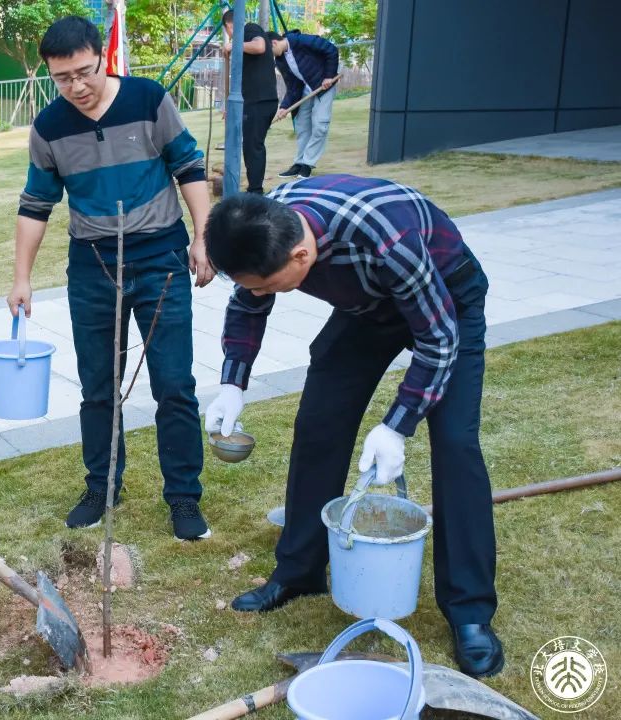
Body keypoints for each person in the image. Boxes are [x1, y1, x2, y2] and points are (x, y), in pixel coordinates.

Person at [203, 175, 504, 678]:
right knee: (320, 421)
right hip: (367, 307)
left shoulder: (388, 237)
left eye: (266, 284)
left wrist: (397, 425)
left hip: (447, 302)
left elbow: (438, 339)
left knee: (454, 444)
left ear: (300, 257)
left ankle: (470, 611)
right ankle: (299, 571)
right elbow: (248, 302)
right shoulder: (266, 222)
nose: (258, 294)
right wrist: (232, 382)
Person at [8, 16, 216, 541]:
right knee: (98, 387)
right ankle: (101, 487)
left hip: (160, 257)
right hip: (93, 265)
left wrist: (202, 237)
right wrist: (22, 277)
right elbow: (36, 204)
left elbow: (189, 168)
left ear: (102, 57)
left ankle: (184, 499)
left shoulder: (148, 99)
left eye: (84, 71)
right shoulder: (50, 127)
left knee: (174, 383)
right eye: (62, 77)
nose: (76, 86)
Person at [267, 30, 339, 180]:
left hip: (323, 86)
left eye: (270, 51)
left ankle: (308, 164)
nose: (271, 55)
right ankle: (299, 163)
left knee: (320, 125)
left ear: (274, 42)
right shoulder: (280, 60)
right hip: (305, 90)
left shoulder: (301, 41)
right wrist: (284, 107)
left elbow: (331, 50)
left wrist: (328, 76)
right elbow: (293, 85)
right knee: (301, 126)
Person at [221, 10, 279, 193]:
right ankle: (254, 188)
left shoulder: (250, 29)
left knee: (253, 145)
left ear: (229, 26)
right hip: (253, 100)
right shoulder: (243, 43)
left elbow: (260, 46)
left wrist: (234, 45)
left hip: (261, 100)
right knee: (251, 144)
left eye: (228, 32)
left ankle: (255, 191)